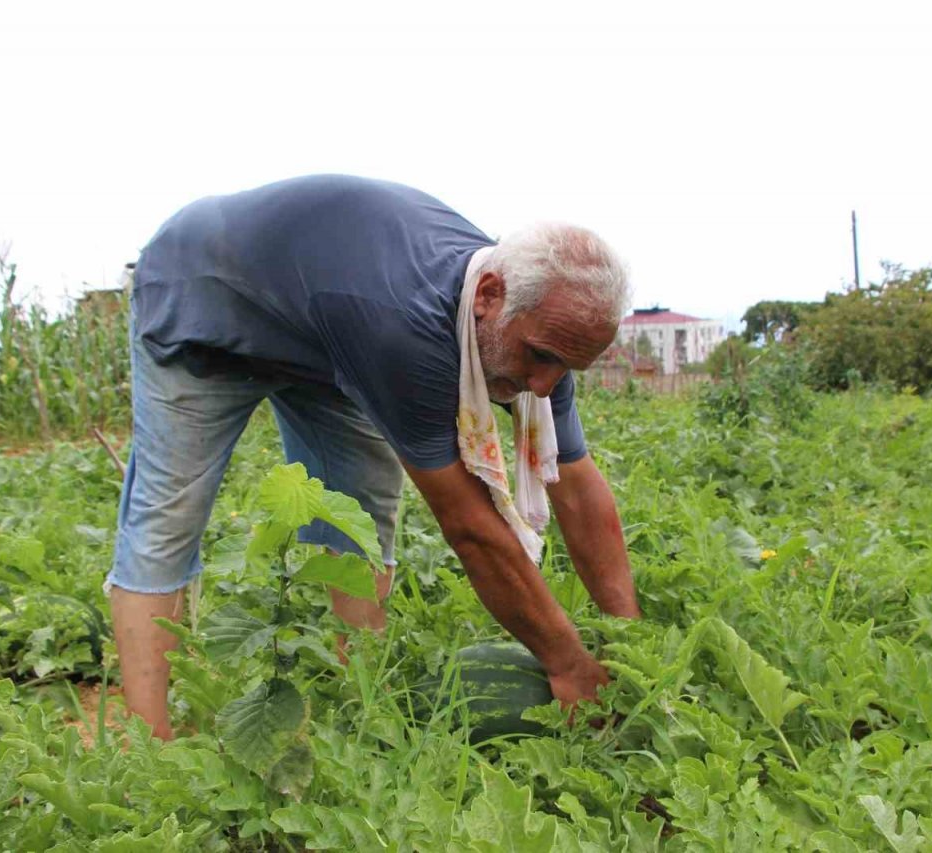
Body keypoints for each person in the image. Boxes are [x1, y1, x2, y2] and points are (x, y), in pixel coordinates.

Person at [108, 174, 641, 739]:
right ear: (487, 296)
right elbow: (471, 529)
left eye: (564, 367)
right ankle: (148, 749)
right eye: (539, 357)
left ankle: (353, 706)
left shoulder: (543, 328)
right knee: (168, 518)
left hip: (320, 330)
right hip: (204, 308)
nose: (542, 384)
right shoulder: (406, 326)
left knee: (361, 516)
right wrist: (568, 666)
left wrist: (632, 647)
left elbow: (577, 489)